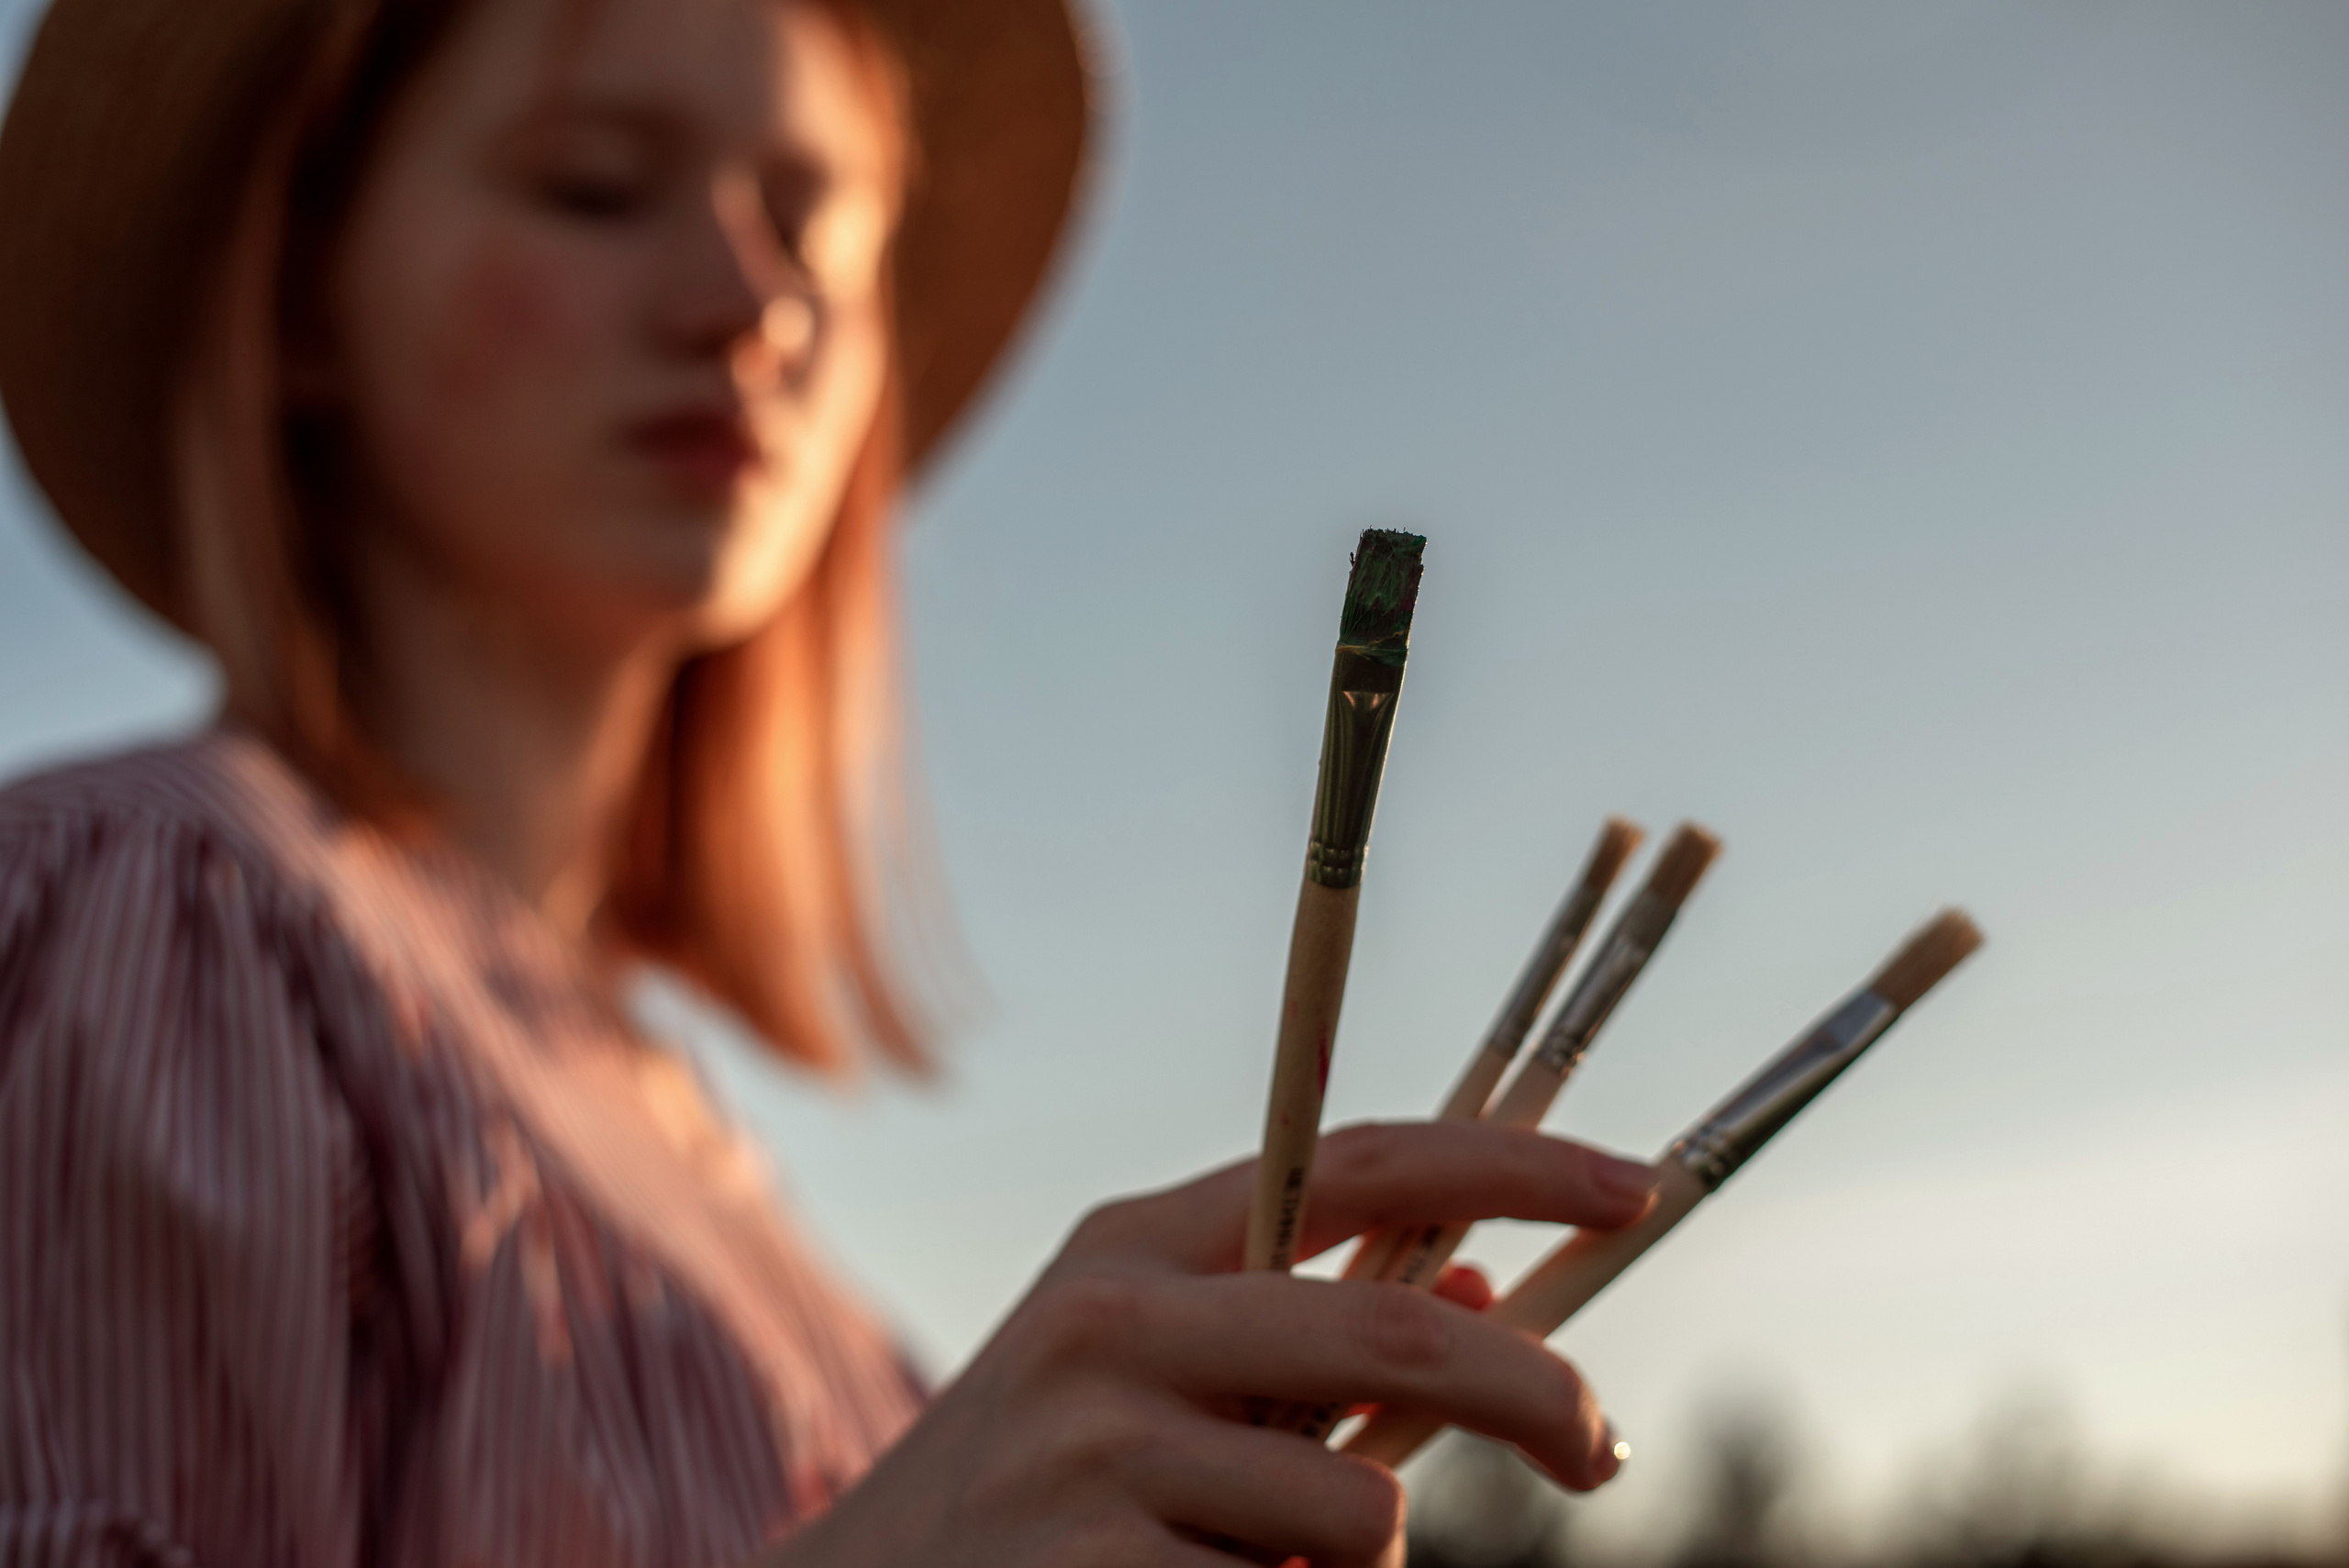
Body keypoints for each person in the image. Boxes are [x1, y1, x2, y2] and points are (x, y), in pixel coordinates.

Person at [0, 0, 1659, 1562]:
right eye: (593, 189)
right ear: (298, 298)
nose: (748, 295)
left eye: (818, 230)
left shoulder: (680, 1143)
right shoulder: (163, 916)